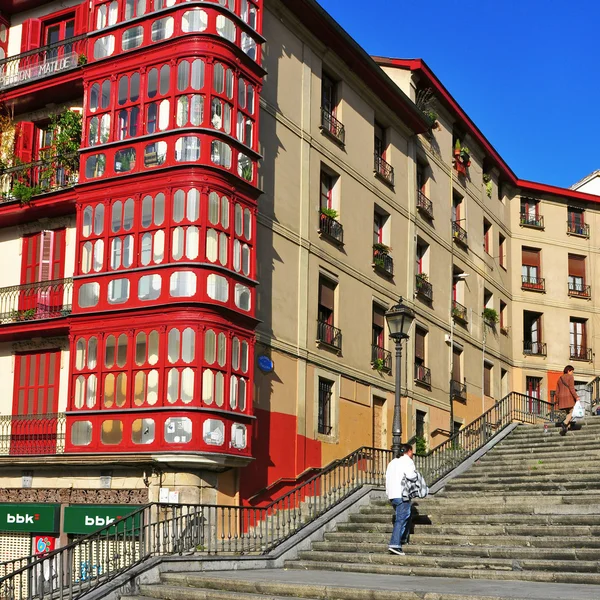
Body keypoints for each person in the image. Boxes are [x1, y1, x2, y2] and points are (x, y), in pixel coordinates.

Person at [385, 443, 415, 556]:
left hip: (393, 494)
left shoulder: (392, 462)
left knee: (405, 515)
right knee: (401, 519)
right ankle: (395, 544)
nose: (412, 454)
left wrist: (388, 493)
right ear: (409, 451)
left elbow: (387, 478)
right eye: (412, 451)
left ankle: (403, 538)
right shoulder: (408, 461)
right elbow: (411, 476)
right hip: (402, 494)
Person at [555, 365, 579, 436]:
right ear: (568, 371)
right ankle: (564, 423)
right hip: (569, 397)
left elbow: (556, 392)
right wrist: (576, 397)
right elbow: (572, 388)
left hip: (561, 399)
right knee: (573, 411)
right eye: (572, 371)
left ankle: (566, 428)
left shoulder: (559, 379)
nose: (572, 373)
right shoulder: (570, 377)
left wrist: (557, 400)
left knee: (568, 412)